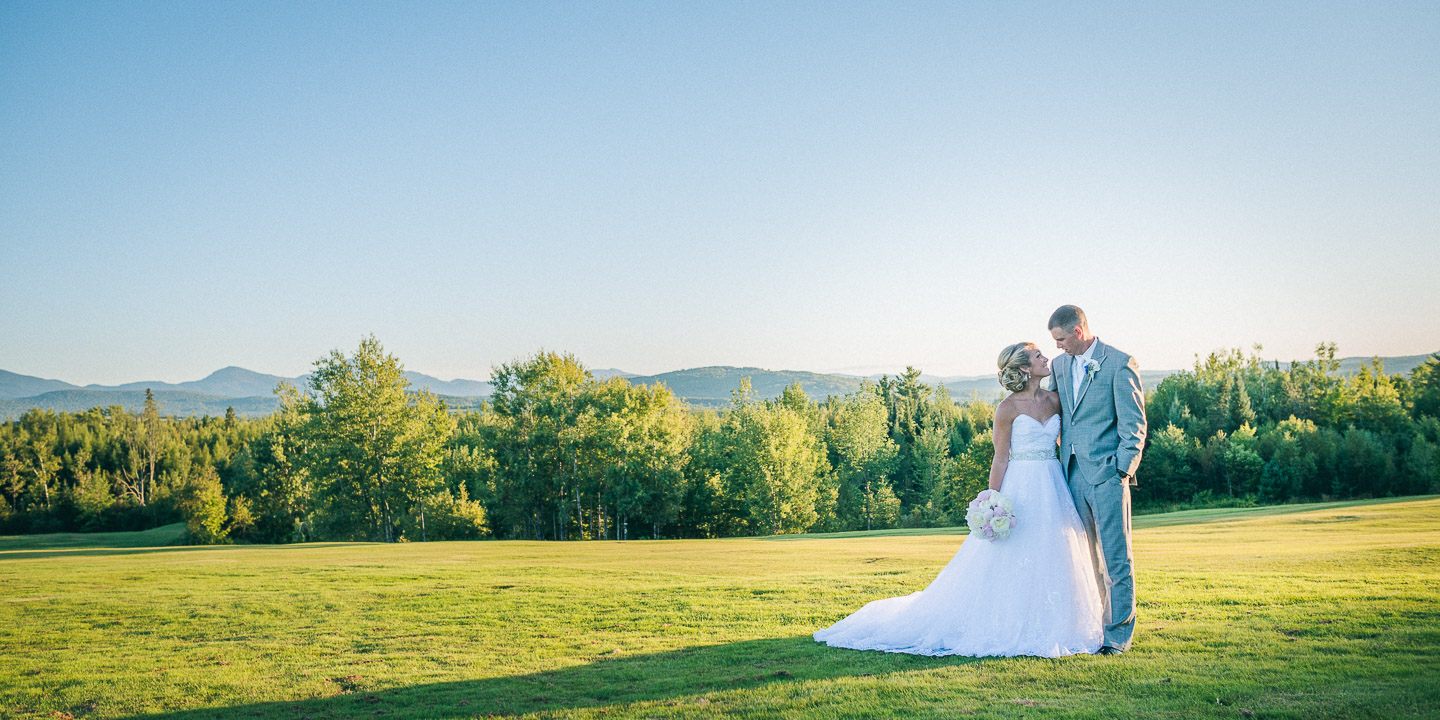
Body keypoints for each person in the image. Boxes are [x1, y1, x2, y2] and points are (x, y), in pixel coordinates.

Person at [813, 342, 1102, 657]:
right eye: (1038, 356)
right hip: (1020, 484)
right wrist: (993, 502)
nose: (1046, 358)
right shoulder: (1008, 408)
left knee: (1054, 551)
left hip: (1052, 484)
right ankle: (1005, 619)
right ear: (1024, 368)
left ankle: (1058, 622)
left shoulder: (1055, 400)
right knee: (1009, 555)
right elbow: (1000, 458)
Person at [1048, 304, 1147, 655]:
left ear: (1078, 331)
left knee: (1116, 559)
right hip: (1071, 474)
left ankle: (1118, 639)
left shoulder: (1119, 363)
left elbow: (1134, 425)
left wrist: (1122, 470)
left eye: (1060, 339)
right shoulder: (1059, 367)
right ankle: (1095, 626)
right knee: (1087, 559)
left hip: (1107, 475)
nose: (1057, 347)